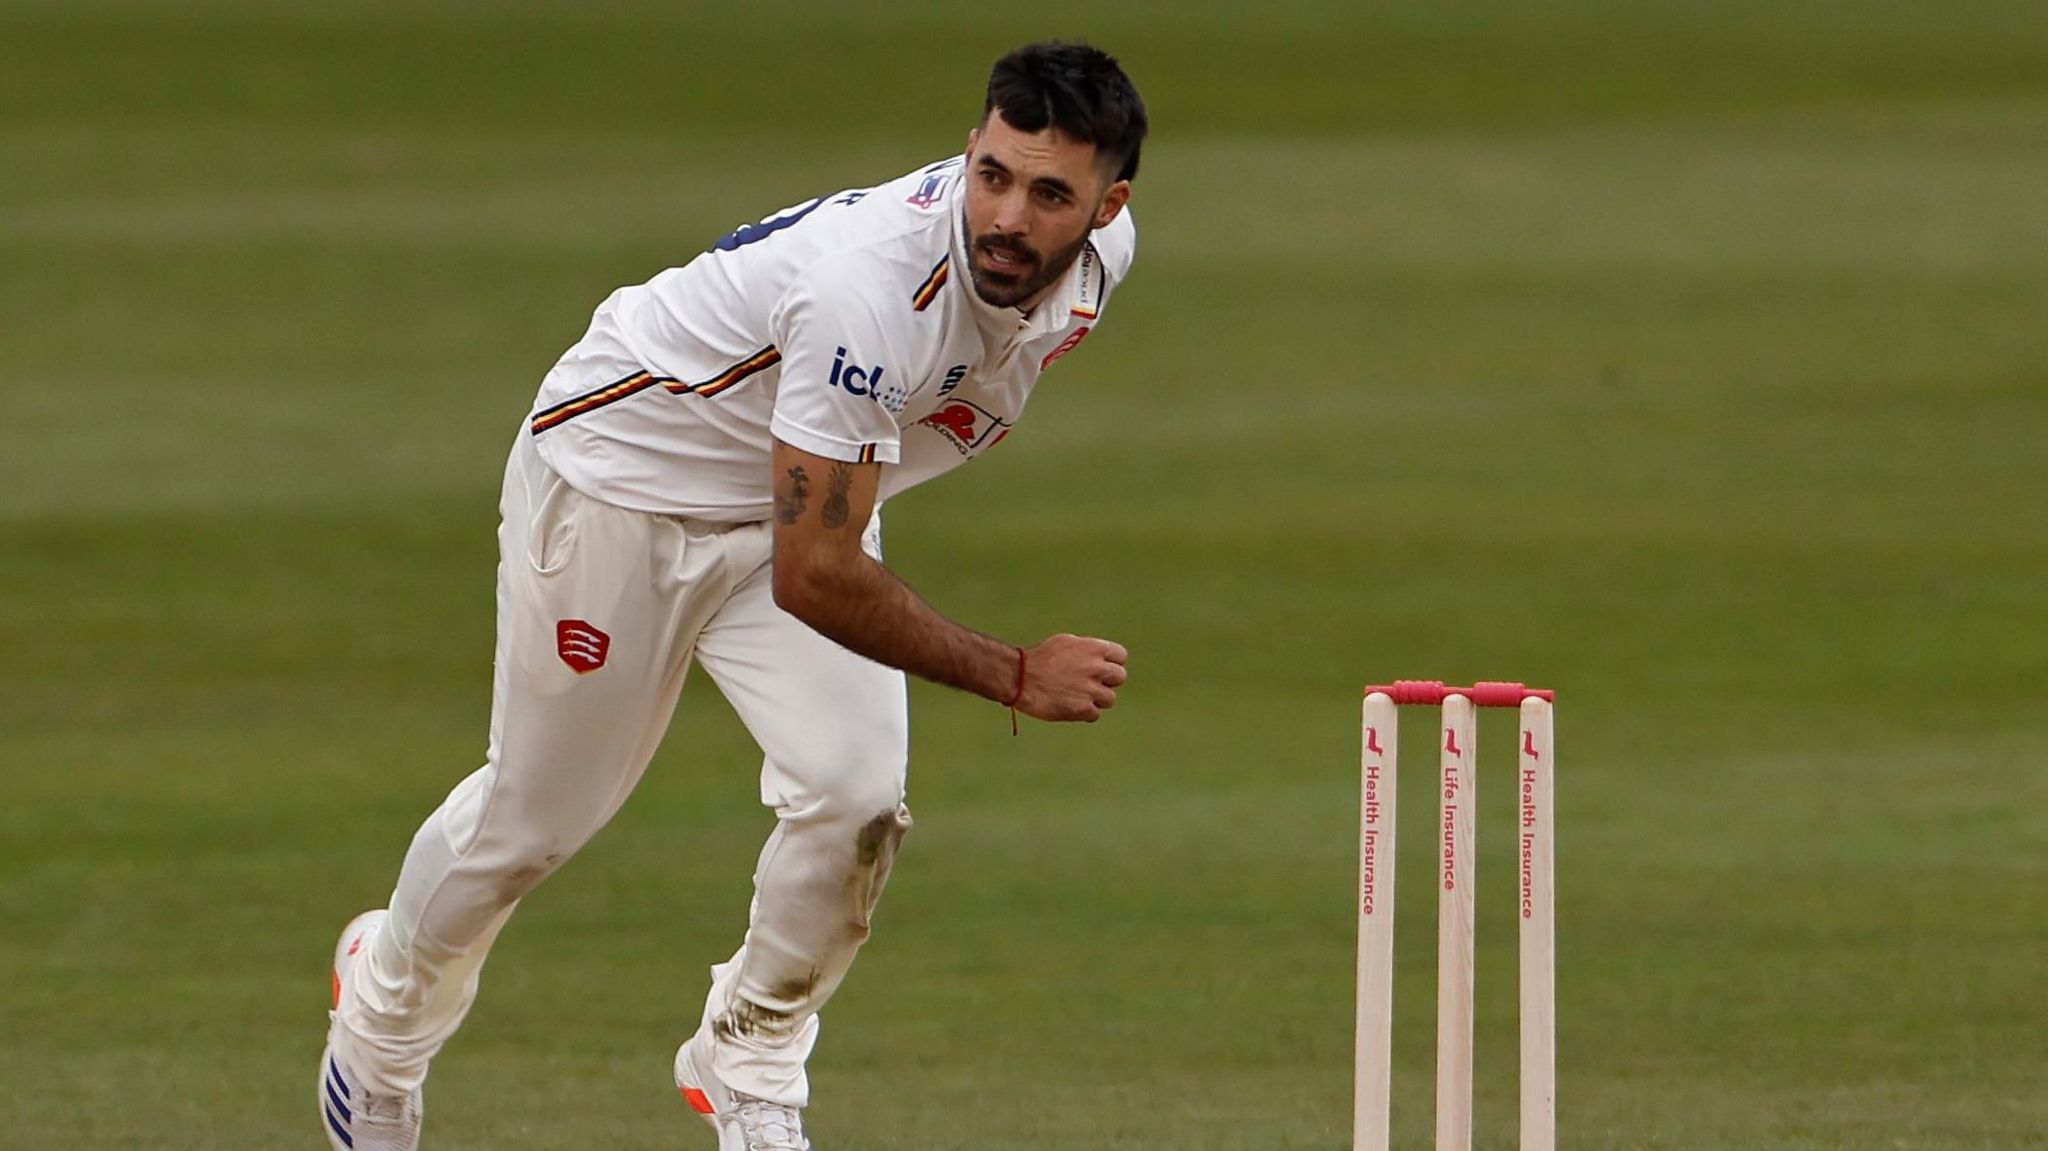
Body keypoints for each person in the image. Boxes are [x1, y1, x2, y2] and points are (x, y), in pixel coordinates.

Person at [319, 40, 1148, 1151]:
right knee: (534, 822)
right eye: (992, 174)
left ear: (1108, 206)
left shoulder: (1098, 265)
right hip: (621, 489)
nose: (1007, 215)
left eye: (1050, 193)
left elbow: (828, 520)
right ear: (968, 150)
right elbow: (819, 576)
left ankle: (748, 1055)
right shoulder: (869, 291)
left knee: (854, 795)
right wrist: (1010, 671)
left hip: (792, 498)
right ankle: (379, 1024)